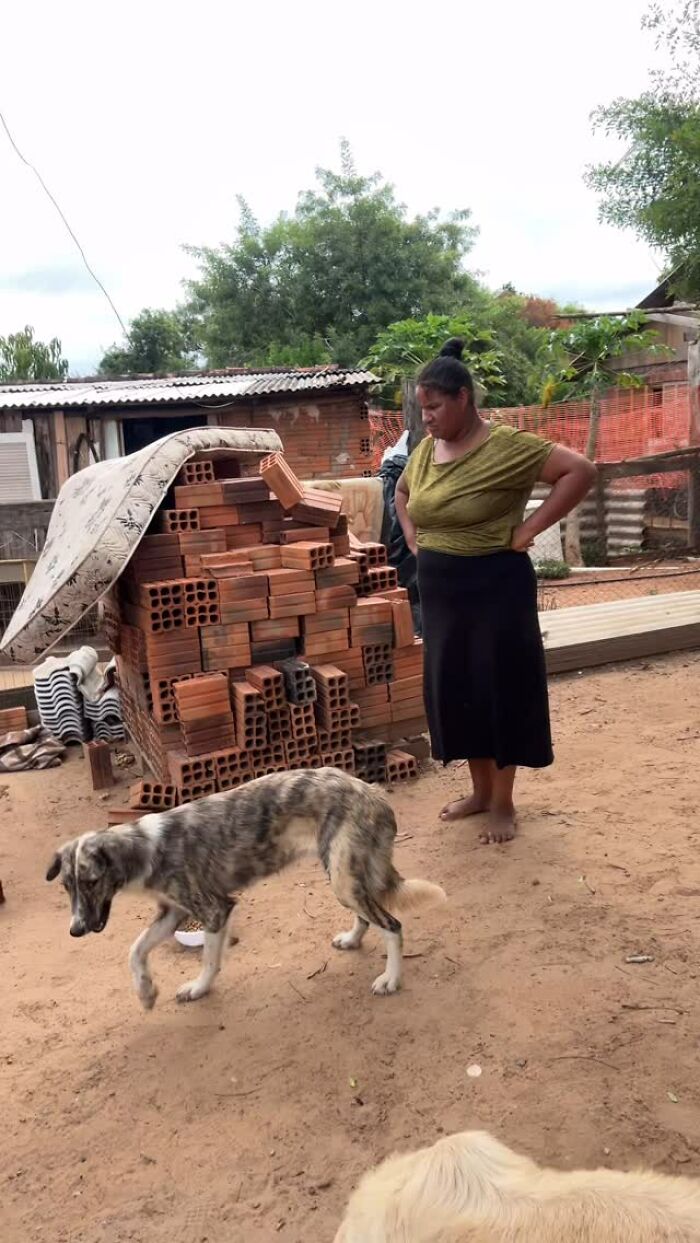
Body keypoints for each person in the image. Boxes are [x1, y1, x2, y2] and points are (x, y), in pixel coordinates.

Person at [394, 338, 595, 844]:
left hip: (494, 591)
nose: (429, 418)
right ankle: (480, 793)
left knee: (497, 690)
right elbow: (401, 491)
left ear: (464, 398)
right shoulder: (425, 449)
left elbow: (581, 471)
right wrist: (415, 536)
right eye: (424, 409)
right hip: (442, 597)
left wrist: (528, 531)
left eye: (435, 407)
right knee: (458, 691)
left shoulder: (507, 446)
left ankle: (504, 803)